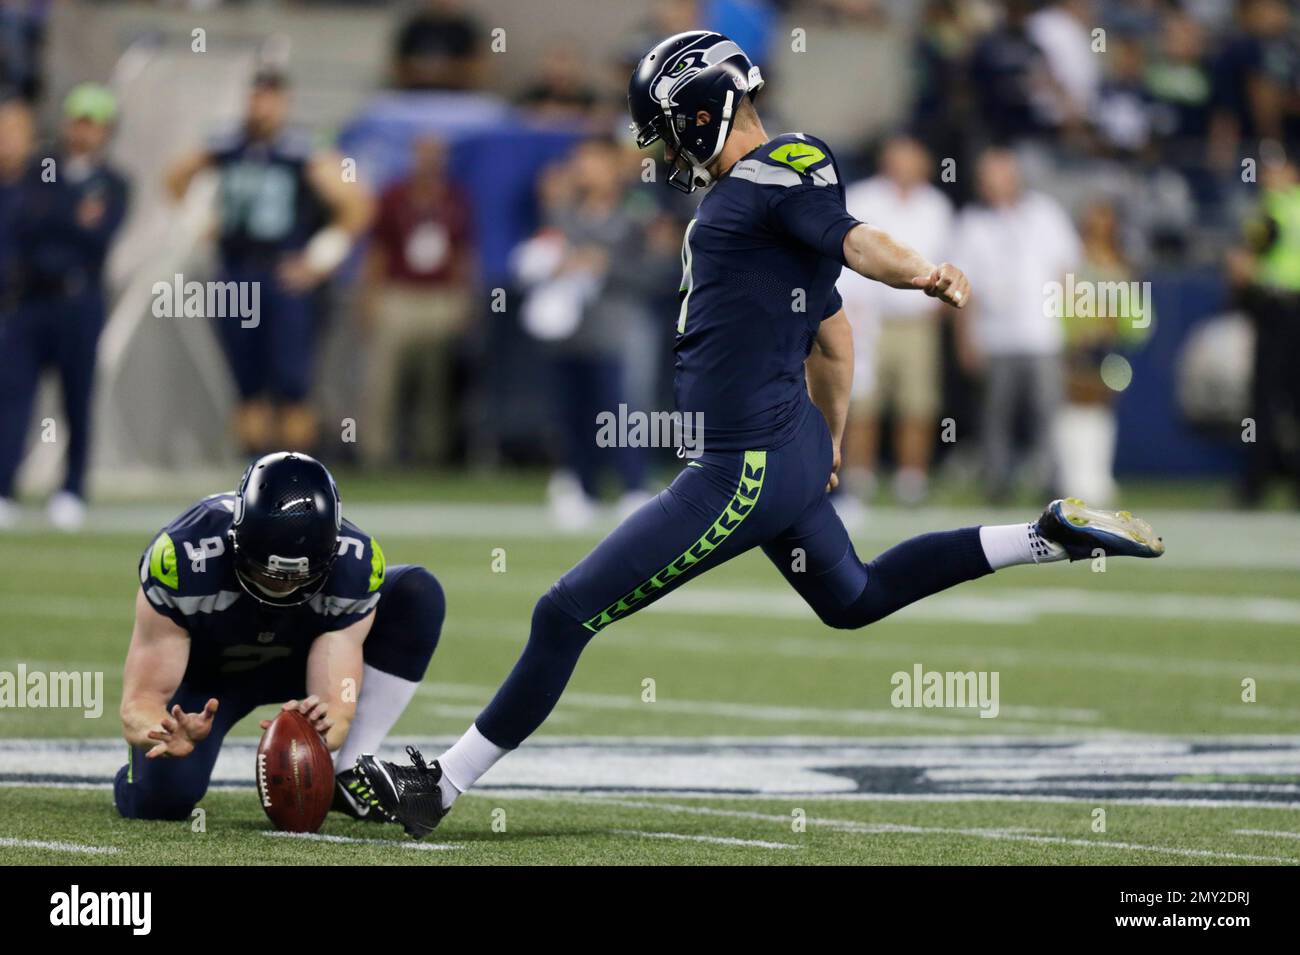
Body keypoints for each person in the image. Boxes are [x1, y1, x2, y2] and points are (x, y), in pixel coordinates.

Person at [356, 31, 1165, 839]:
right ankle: (1045, 534)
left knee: (564, 612)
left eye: (672, 130)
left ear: (705, 110)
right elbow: (836, 335)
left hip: (740, 464)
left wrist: (921, 271)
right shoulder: (769, 187)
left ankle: (443, 783)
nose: (671, 152)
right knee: (856, 597)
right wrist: (831, 442)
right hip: (787, 447)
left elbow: (857, 242)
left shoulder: (771, 179)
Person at [114, 452, 445, 823]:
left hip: (296, 663)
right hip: (209, 681)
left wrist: (322, 725)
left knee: (417, 592)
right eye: (268, 572)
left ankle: (352, 771)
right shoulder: (185, 557)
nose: (282, 584)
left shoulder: (354, 564)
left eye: (297, 576)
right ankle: (146, 783)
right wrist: (165, 730)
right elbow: (139, 703)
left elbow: (337, 706)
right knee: (161, 802)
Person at [166, 67, 373, 455]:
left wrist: (319, 259)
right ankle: (254, 479)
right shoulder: (226, 144)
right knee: (247, 386)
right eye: (256, 98)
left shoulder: (302, 149)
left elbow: (357, 204)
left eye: (270, 99)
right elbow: (175, 178)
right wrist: (200, 221)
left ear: (284, 104)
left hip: (283, 275)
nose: (261, 108)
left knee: (293, 385)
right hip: (236, 272)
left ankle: (298, 482)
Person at [0, 83, 128, 531]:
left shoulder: (114, 182)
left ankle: (72, 488)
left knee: (77, 400)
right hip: (33, 300)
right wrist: (71, 216)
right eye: (78, 121)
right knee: (13, 396)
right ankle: (4, 487)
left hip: (80, 300)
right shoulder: (43, 168)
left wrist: (60, 219)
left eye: (92, 123)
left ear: (106, 130)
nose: (83, 131)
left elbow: (96, 238)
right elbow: (29, 223)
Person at [951, 147, 1079, 502]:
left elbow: (1067, 273)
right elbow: (963, 289)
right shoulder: (972, 222)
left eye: (998, 176)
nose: (991, 184)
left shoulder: (1045, 213)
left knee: (1047, 414)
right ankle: (997, 483)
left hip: (1043, 334)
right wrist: (966, 339)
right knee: (995, 417)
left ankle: (1054, 483)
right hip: (994, 337)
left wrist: (1070, 329)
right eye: (986, 178)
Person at [837, 135, 953, 506]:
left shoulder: (936, 205)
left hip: (917, 320)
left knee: (916, 403)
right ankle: (857, 479)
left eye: (912, 160)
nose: (905, 167)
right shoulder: (864, 198)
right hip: (869, 316)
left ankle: (911, 480)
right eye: (898, 159)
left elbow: (947, 258)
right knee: (863, 402)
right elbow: (847, 251)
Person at [360, 137, 474, 467]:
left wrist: (462, 297)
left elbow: (462, 253)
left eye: (435, 154)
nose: (429, 160)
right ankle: (375, 453)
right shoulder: (395, 195)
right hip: (398, 293)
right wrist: (370, 297)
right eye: (423, 154)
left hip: (439, 297)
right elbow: (378, 249)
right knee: (382, 378)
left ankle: (431, 453)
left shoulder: (454, 197)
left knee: (435, 381)